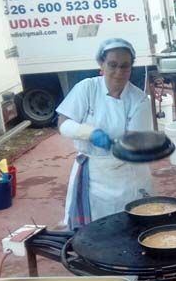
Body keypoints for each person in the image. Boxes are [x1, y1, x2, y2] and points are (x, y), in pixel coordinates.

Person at [56, 38, 153, 230]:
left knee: (129, 227)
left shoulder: (139, 100)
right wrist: (88, 133)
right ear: (101, 65)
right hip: (91, 172)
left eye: (125, 66)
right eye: (112, 65)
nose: (118, 72)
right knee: (92, 229)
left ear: (131, 68)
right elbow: (63, 123)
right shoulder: (87, 88)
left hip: (127, 173)